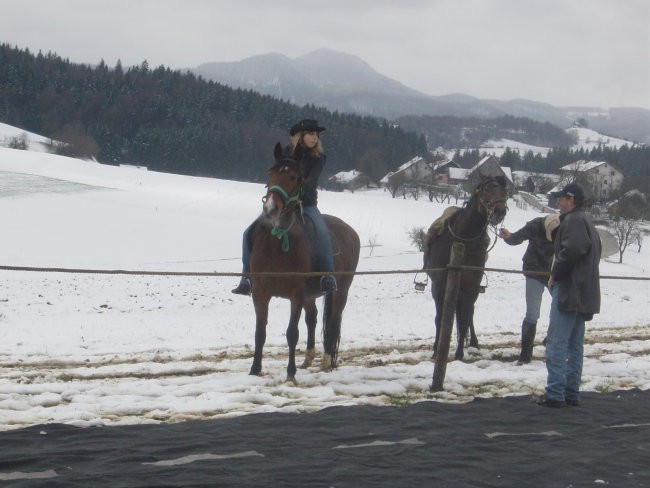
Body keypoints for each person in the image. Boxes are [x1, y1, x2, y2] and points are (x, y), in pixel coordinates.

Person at [232, 119, 337, 296]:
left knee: (321, 232)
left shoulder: (318, 158)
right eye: (311, 133)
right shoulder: (286, 153)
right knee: (248, 232)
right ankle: (247, 278)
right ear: (300, 136)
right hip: (282, 203)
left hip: (306, 204)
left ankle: (328, 275)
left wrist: (295, 193)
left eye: (316, 134)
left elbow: (311, 182)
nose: (315, 137)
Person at [537, 182, 601, 408]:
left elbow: (573, 250)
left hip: (569, 292)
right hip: (583, 292)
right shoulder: (587, 222)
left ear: (571, 200)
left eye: (561, 198)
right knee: (575, 345)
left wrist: (556, 273)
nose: (557, 201)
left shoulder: (573, 221)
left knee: (557, 343)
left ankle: (555, 394)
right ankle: (571, 393)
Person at [499, 213, 560, 365]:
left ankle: (550, 341)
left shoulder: (564, 227)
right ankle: (525, 355)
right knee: (532, 313)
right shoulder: (534, 225)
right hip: (534, 271)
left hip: (555, 272)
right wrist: (507, 237)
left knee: (561, 308)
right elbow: (516, 238)